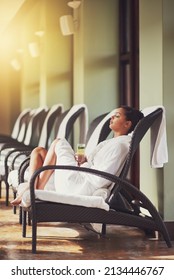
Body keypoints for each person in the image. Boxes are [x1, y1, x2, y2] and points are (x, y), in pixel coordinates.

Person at [11, 106, 144, 206]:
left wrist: (83, 165)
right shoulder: (110, 143)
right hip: (79, 176)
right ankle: (33, 188)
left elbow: (101, 180)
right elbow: (93, 164)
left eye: (117, 116)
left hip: (79, 187)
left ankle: (35, 191)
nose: (112, 118)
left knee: (59, 142)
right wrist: (83, 160)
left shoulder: (120, 146)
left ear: (127, 124)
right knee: (38, 151)